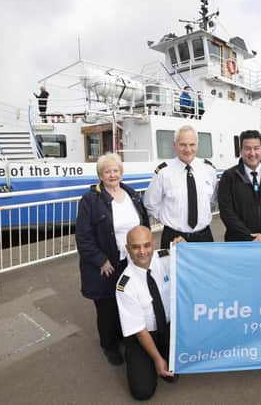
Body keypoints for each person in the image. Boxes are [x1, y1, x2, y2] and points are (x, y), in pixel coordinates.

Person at [75, 153, 150, 366]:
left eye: (115, 170)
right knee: (107, 306)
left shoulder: (131, 194)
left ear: (121, 173)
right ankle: (109, 346)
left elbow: (143, 224)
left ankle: (127, 337)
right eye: (107, 171)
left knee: (128, 302)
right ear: (100, 175)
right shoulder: (90, 200)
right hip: (108, 264)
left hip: (131, 261)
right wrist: (101, 260)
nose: (112, 174)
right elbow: (83, 236)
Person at [116, 226, 176, 400]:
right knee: (142, 392)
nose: (142, 252)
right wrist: (157, 359)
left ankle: (161, 355)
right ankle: (138, 357)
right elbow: (140, 332)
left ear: (153, 244)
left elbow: (194, 261)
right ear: (127, 248)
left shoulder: (167, 258)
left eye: (147, 245)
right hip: (143, 335)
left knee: (176, 372)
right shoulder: (125, 285)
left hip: (169, 328)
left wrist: (185, 246)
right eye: (135, 247)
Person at [144, 125, 218, 249]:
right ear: (175, 145)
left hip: (204, 236)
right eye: (182, 144)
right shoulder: (164, 172)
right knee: (172, 268)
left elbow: (212, 198)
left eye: (192, 144)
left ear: (197, 145)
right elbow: (150, 203)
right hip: (173, 237)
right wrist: (169, 220)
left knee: (204, 268)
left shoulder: (208, 169)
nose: (188, 149)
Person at [218, 130, 261, 241]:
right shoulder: (229, 177)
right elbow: (226, 212)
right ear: (241, 150)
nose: (252, 153)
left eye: (256, 148)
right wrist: (250, 237)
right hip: (239, 242)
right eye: (247, 148)